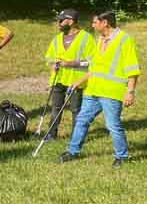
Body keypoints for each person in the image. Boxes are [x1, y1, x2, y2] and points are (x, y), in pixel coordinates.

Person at [60, 11, 140, 167]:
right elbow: (94, 67)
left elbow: (132, 69)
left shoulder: (124, 40)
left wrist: (130, 92)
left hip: (111, 92)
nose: (92, 25)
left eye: (95, 22)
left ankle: (121, 156)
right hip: (93, 90)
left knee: (112, 125)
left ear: (105, 23)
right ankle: (72, 151)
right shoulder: (99, 40)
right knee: (82, 120)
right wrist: (79, 81)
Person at [42, 9, 95, 139]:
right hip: (57, 79)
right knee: (55, 109)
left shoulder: (86, 38)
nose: (58, 23)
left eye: (61, 20)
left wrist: (71, 63)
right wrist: (52, 63)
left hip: (76, 81)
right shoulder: (57, 39)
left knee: (76, 111)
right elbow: (49, 57)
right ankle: (50, 135)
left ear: (70, 21)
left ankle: (75, 137)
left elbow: (91, 62)